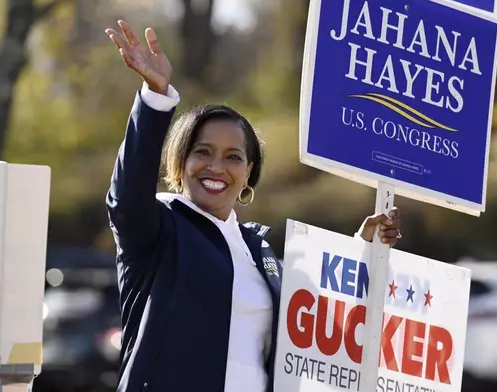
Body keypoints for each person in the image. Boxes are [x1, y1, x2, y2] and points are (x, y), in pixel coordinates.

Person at [104, 20, 403, 392]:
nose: (216, 167)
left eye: (232, 157)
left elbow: (318, 325)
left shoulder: (258, 252)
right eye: (203, 152)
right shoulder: (161, 228)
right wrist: (156, 96)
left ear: (248, 173)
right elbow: (126, 197)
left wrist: (363, 247)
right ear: (180, 162)